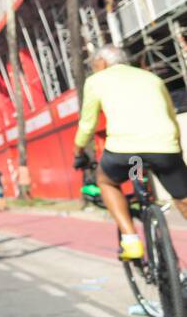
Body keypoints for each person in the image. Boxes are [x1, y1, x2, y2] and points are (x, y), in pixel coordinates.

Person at [73, 44, 187, 261]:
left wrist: (78, 152)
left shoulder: (96, 80)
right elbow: (171, 116)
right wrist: (177, 151)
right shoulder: (151, 78)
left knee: (105, 182)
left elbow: (87, 125)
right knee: (183, 198)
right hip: (164, 147)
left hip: (123, 151)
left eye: (94, 64)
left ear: (103, 63)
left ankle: (131, 240)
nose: (94, 68)